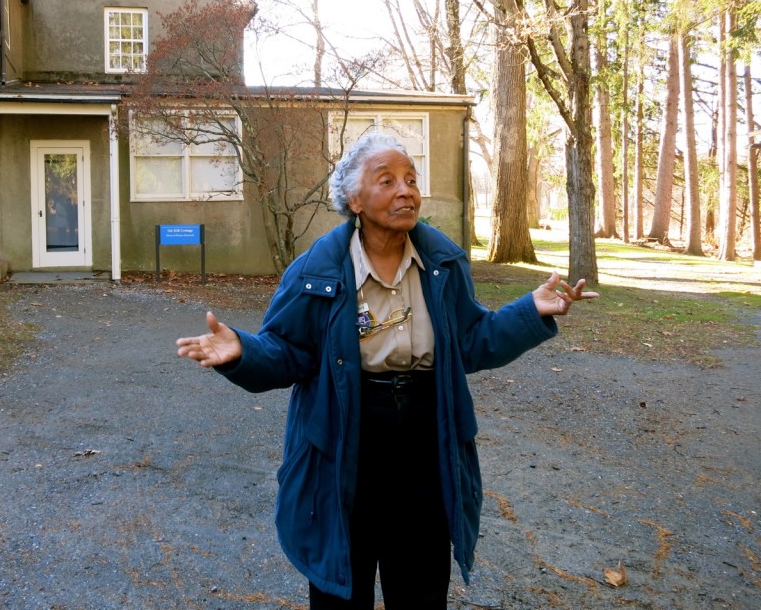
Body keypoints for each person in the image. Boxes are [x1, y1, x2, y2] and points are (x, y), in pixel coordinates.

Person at [176, 133, 597, 609]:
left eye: (411, 180)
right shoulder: (316, 271)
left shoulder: (443, 264)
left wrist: (532, 311)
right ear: (354, 199)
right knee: (342, 581)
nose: (406, 191)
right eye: (388, 180)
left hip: (425, 439)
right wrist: (242, 352)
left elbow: (471, 343)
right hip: (346, 440)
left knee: (420, 583)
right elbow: (289, 352)